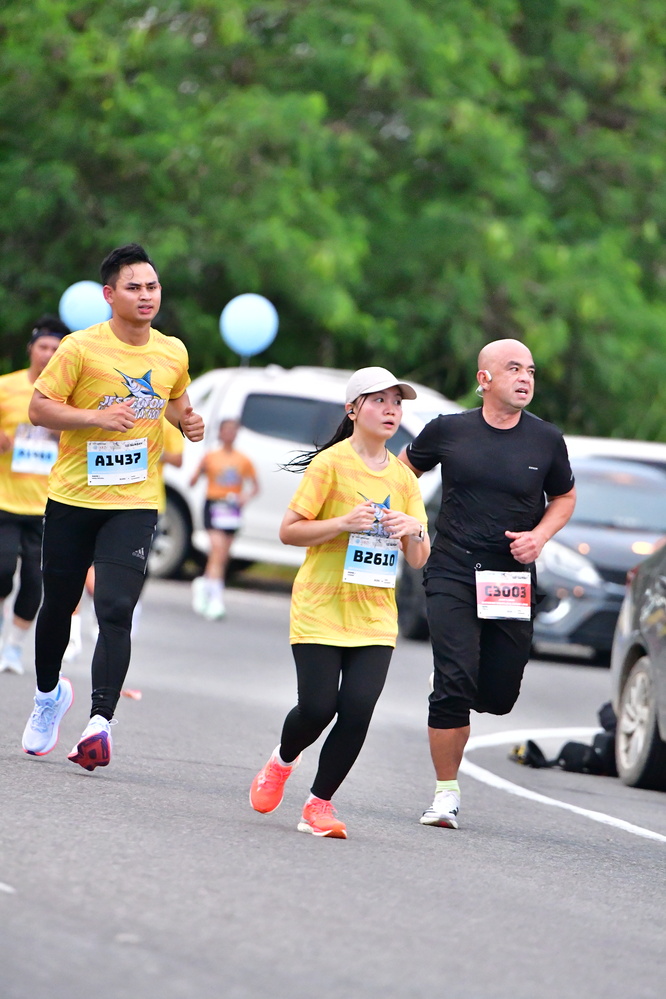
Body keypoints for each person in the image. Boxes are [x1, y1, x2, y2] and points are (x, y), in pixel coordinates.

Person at [20, 243, 204, 770]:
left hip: (136, 500)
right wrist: (95, 418)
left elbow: (175, 401)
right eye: (134, 287)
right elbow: (39, 408)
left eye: (152, 286)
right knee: (58, 604)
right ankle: (49, 696)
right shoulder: (80, 349)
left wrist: (186, 421)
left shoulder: (172, 351)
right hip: (74, 496)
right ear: (109, 294)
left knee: (117, 607)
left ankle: (100, 723)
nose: (146, 295)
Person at [399, 339, 576, 829]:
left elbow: (564, 497)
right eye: (514, 369)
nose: (525, 378)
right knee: (454, 687)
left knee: (498, 697)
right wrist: (411, 523)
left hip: (509, 578)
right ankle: (446, 795)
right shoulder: (449, 431)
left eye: (531, 371)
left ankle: (454, 681)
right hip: (453, 567)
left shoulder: (545, 439)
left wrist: (539, 536)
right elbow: (400, 474)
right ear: (485, 379)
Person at [249, 367, 430, 838]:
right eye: (379, 400)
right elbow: (289, 531)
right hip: (321, 606)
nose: (391, 410)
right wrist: (342, 523)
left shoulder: (404, 479)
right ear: (353, 410)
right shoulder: (329, 464)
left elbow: (418, 558)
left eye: (397, 402)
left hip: (374, 616)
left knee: (357, 709)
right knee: (317, 708)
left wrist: (414, 530)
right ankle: (282, 761)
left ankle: (319, 805)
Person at [0, 316, 69, 674]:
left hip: (47, 504)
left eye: (56, 349)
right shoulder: (5, 387)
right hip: (5, 498)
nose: (48, 354)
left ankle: (13, 647)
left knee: (34, 581)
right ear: (31, 349)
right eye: (43, 346)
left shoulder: (68, 396)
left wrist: (62, 432)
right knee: (1, 569)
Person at [189, 419, 259, 620]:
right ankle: (216, 598)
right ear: (220, 433)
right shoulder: (211, 456)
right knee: (217, 549)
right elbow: (193, 481)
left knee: (223, 554)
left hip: (232, 509)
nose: (230, 434)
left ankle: (205, 584)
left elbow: (255, 487)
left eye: (233, 431)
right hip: (214, 505)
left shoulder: (243, 460)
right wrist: (200, 470)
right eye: (226, 430)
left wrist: (245, 497)